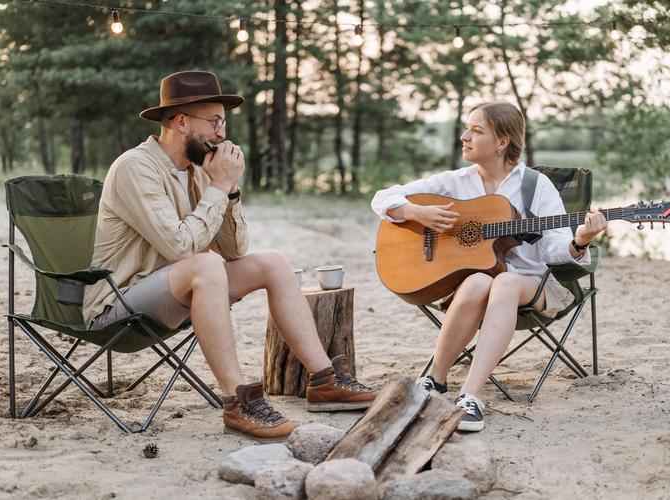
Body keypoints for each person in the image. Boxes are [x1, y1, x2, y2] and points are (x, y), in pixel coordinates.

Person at [84, 70, 375, 440]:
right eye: (215, 122)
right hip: (119, 303)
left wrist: (228, 189)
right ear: (180, 121)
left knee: (273, 263)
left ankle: (323, 380)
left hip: (179, 291)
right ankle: (237, 400)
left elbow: (236, 249)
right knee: (206, 264)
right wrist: (219, 185)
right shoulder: (135, 167)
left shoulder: (200, 169)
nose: (222, 134)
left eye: (223, 123)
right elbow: (180, 247)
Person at [371, 101, 606, 432]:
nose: (464, 137)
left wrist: (580, 240)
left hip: (533, 285)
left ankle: (470, 396)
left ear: (502, 142)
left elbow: (555, 249)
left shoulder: (534, 185)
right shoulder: (455, 182)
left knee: (504, 283)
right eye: (467, 129)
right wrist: (416, 213)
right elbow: (383, 198)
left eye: (476, 131)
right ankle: (436, 381)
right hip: (477, 287)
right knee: (479, 282)